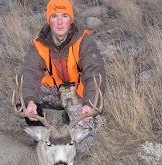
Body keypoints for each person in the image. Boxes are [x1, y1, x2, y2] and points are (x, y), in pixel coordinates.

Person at [21, 0, 106, 153]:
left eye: (65, 16)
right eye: (54, 16)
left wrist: (90, 104)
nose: (59, 22)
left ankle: (73, 115)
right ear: (49, 20)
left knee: (80, 148)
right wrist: (31, 101)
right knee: (23, 102)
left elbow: (94, 73)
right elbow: (30, 73)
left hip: (80, 95)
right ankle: (43, 140)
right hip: (56, 90)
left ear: (71, 19)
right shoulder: (39, 44)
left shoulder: (84, 42)